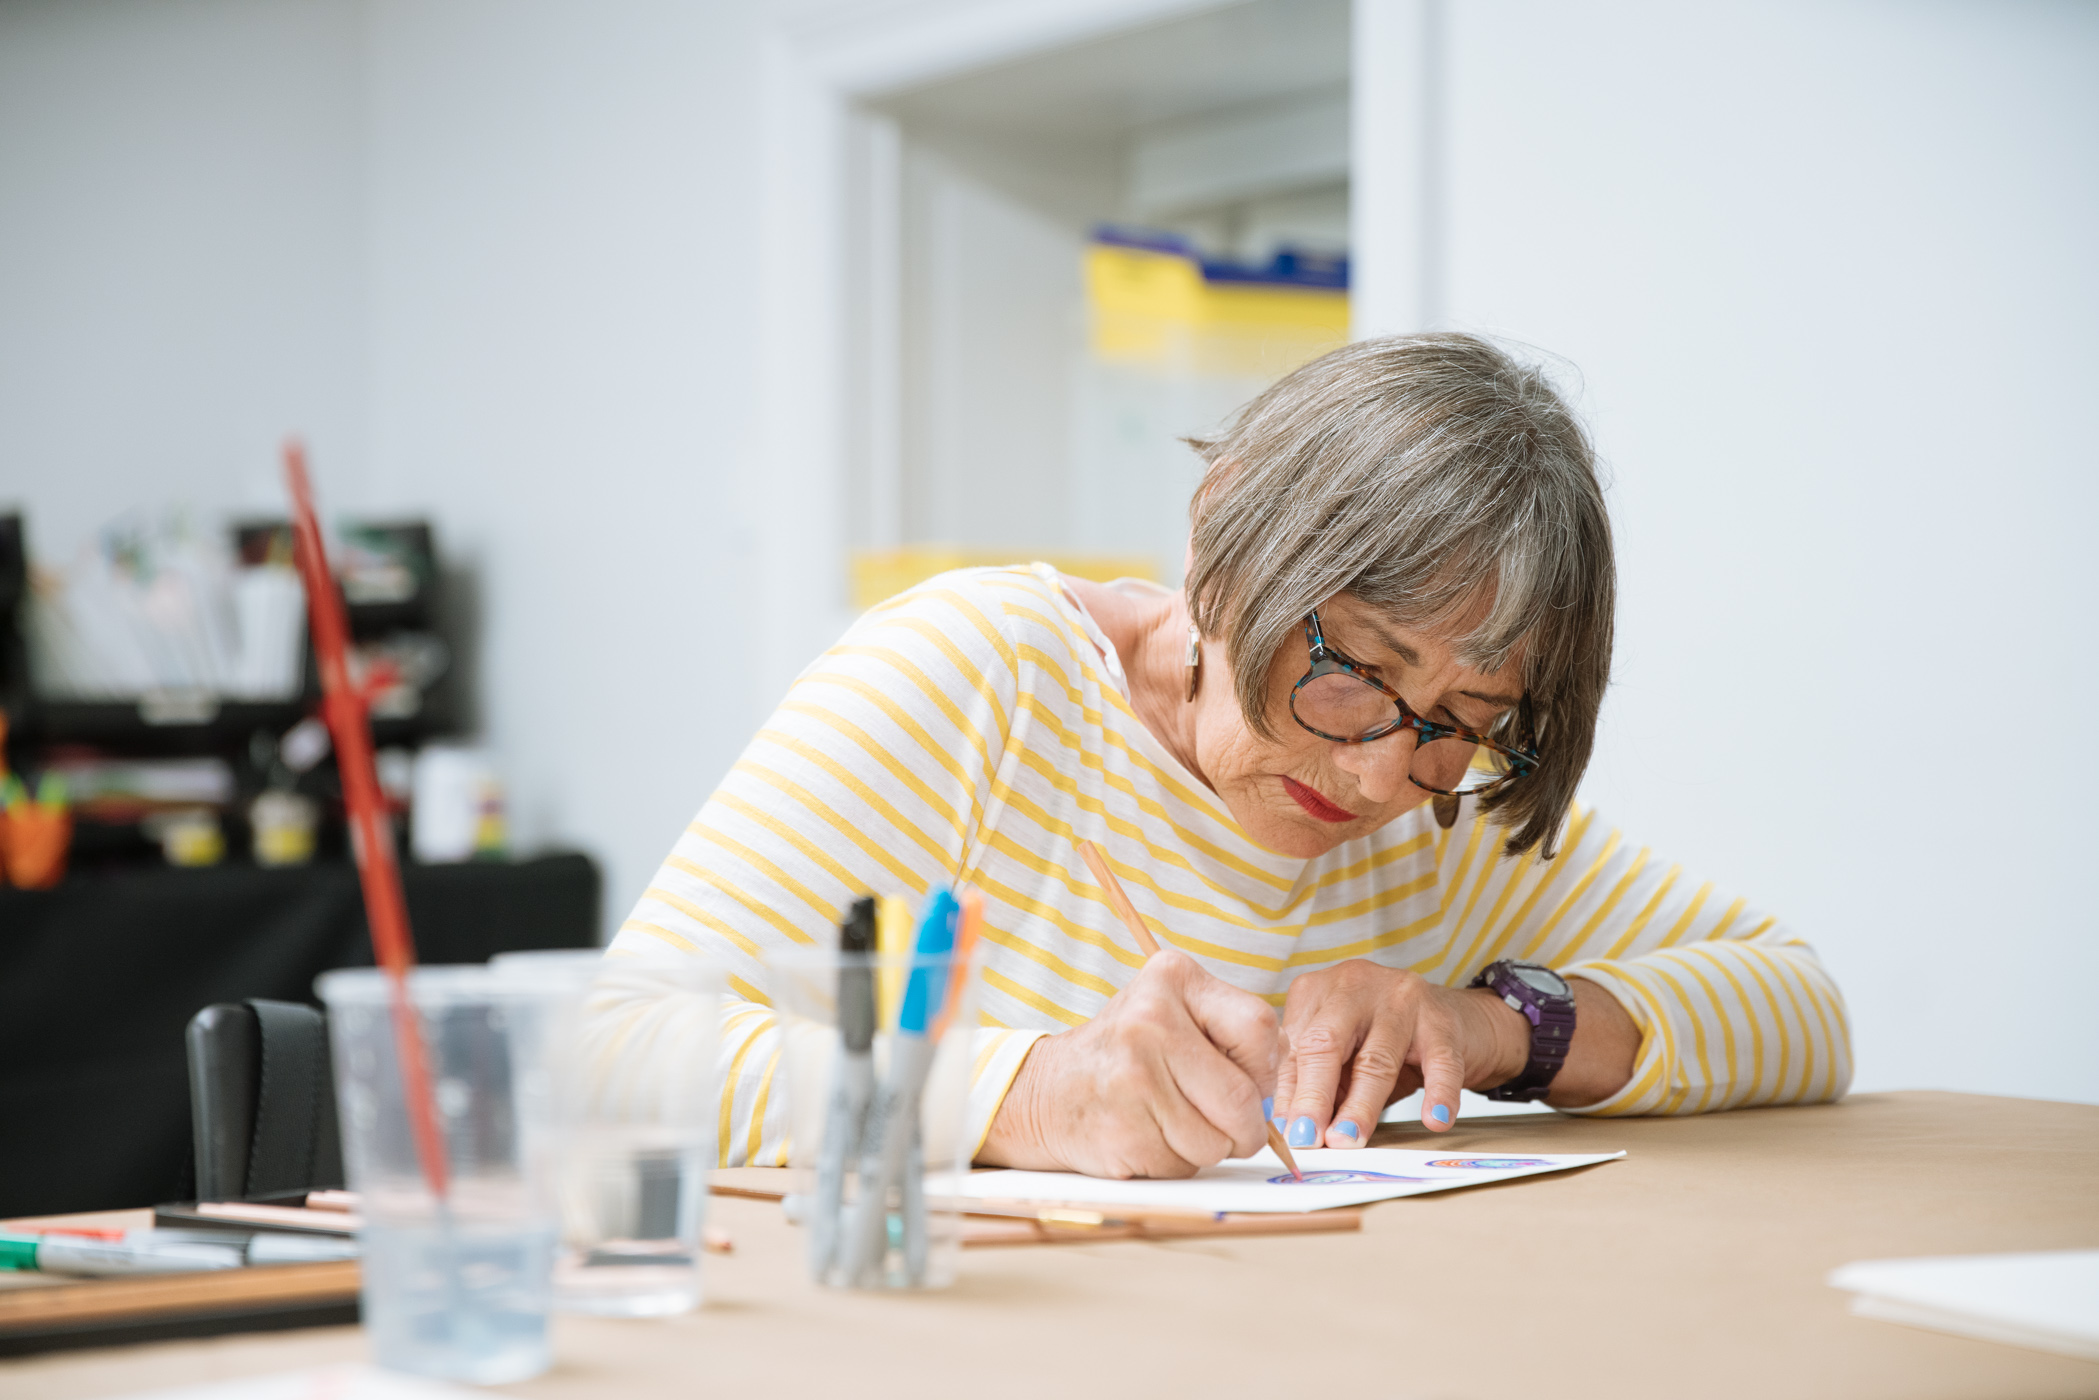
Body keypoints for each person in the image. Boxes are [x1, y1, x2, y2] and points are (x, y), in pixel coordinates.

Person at [601, 333, 1851, 1178]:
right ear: (1220, 536)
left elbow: (1798, 1004)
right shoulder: (987, 673)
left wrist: (1485, 1027)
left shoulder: (1438, 810)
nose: (1373, 778)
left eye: (1464, 719)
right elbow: (608, 1054)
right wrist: (1026, 1093)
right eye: (1352, 666)